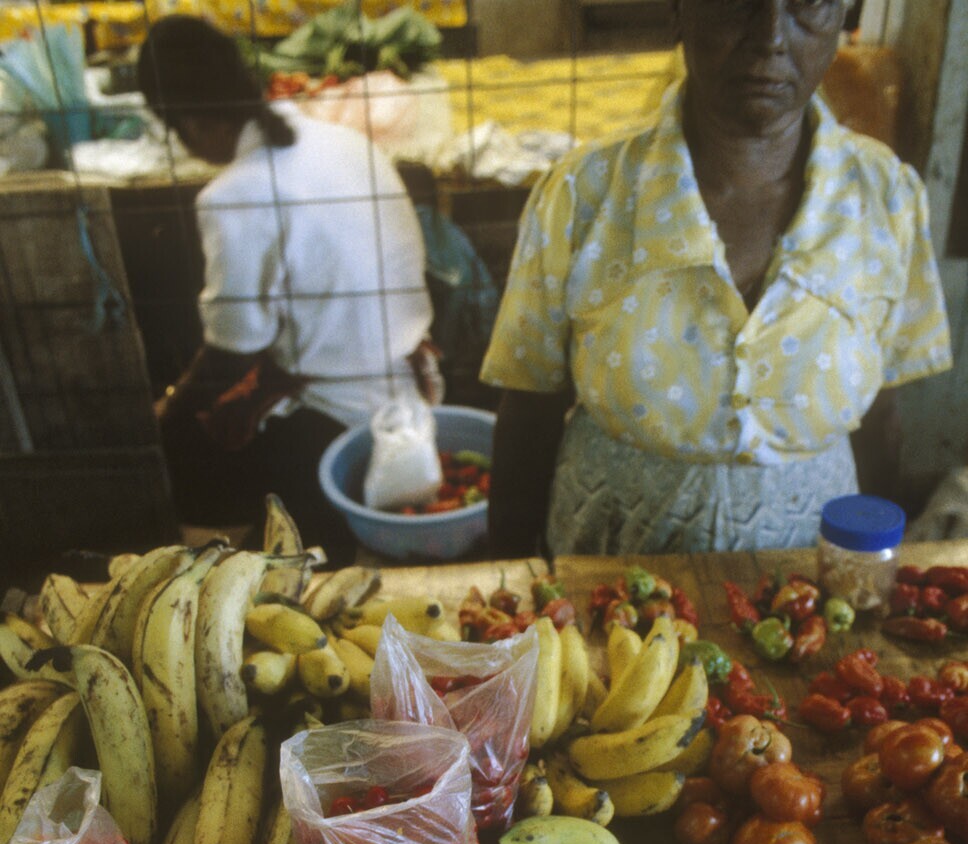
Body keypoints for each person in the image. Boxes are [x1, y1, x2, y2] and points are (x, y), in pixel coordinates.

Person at [481, 0, 953, 558]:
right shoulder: (583, 193)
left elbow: (880, 418)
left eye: (807, 4)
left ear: (841, 17)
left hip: (812, 569)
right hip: (607, 558)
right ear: (679, 11)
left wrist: (870, 569)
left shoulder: (887, 196)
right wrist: (510, 571)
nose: (770, 37)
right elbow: (529, 412)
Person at [136, 16, 440, 559]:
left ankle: (262, 545)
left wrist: (167, 411)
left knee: (180, 438)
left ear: (191, 123)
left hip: (335, 422)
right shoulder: (346, 142)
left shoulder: (233, 195)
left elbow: (234, 348)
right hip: (413, 384)